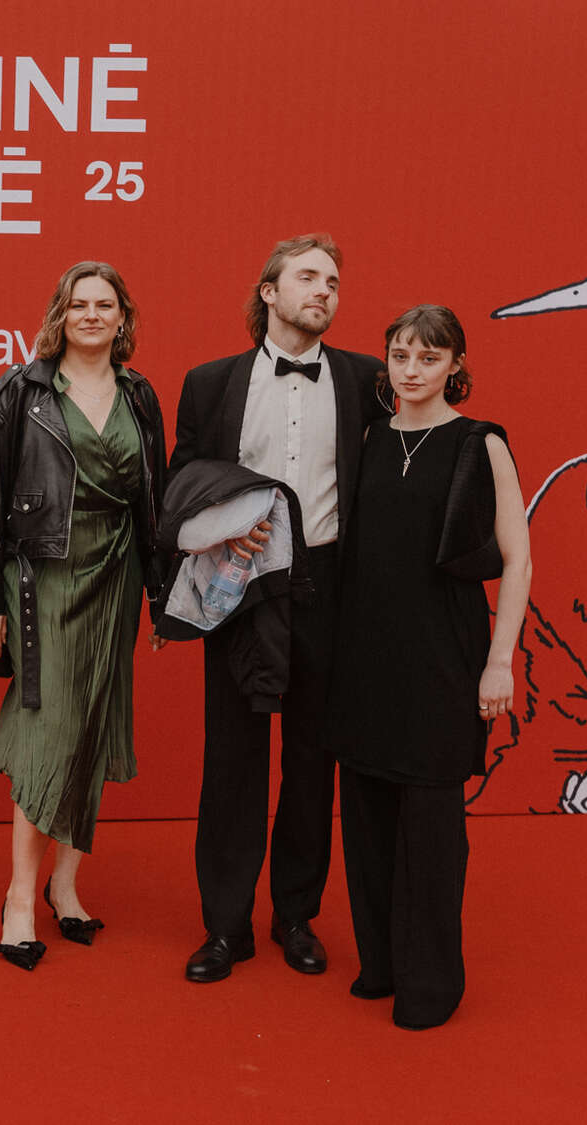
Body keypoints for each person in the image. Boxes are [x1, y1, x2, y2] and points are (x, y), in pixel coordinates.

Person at [170, 234, 388, 984]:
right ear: (269, 291)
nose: (324, 290)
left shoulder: (365, 379)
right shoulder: (209, 383)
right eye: (308, 277)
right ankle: (224, 927)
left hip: (328, 583)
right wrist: (224, 526)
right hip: (239, 583)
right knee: (233, 759)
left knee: (312, 760)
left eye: (333, 281)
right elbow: (182, 486)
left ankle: (296, 915)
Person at [328, 305, 530, 1029]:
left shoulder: (481, 443)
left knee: (433, 828)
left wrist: (500, 662)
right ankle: (381, 964)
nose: (411, 370)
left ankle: (432, 983)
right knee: (366, 818)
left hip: (445, 655)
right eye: (400, 356)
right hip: (364, 655)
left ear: (455, 366)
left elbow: (518, 560)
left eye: (428, 357)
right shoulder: (368, 437)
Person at [0, 261, 166, 971]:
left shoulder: (140, 394)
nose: (91, 315)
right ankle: (19, 897)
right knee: (48, 727)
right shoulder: (20, 391)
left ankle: (65, 884)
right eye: (78, 304)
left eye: (104, 304)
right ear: (60, 314)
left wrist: (163, 594)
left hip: (119, 570)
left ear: (122, 317)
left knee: (96, 720)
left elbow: (155, 501)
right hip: (44, 575)